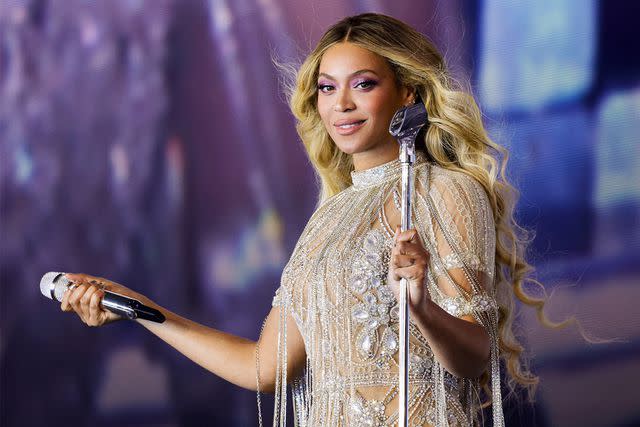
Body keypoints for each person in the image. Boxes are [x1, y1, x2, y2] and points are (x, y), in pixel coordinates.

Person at [62, 13, 551, 427]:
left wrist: (421, 307)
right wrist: (138, 307)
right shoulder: (328, 218)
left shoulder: (447, 191)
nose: (341, 104)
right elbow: (263, 366)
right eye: (326, 87)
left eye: (363, 84)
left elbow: (473, 358)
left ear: (407, 93)